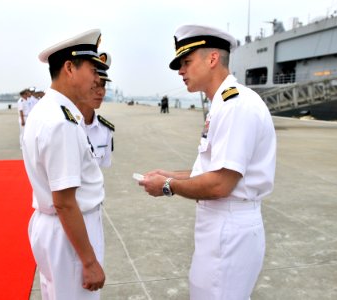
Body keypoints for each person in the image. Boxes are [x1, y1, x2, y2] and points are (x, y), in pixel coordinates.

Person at [139, 24, 276, 300]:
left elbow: (220, 184)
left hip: (229, 225)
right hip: (221, 224)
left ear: (212, 59)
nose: (180, 71)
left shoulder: (235, 105)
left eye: (186, 62)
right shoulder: (223, 104)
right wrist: (171, 174)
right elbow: (213, 170)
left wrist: (167, 185)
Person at [22, 29, 109, 300]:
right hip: (70, 233)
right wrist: (90, 262)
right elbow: (65, 201)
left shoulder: (45, 110)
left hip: (53, 227)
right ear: (70, 68)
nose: (97, 78)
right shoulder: (62, 122)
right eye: (93, 69)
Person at [78, 51, 115, 168]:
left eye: (103, 85)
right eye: (94, 85)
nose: (101, 92)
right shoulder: (62, 125)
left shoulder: (105, 130)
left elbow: (101, 169)